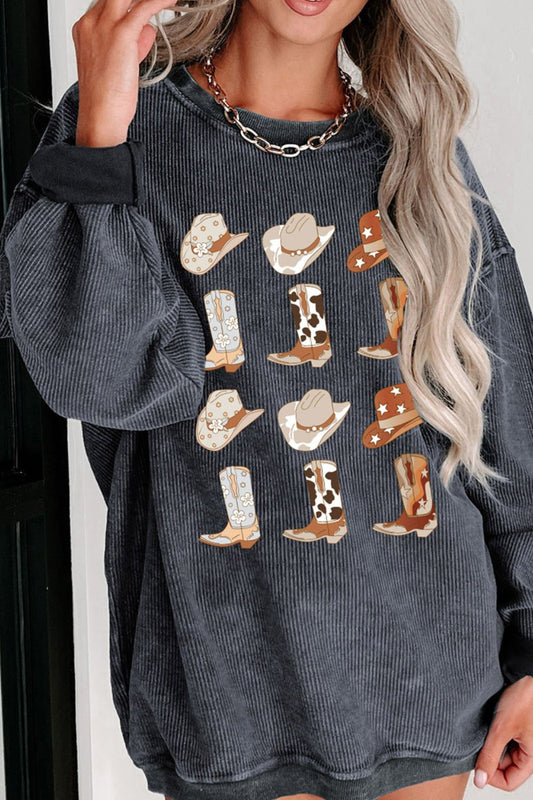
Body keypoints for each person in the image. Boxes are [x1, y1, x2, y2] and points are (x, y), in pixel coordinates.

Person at [1, 0, 533, 798]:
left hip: (425, 680)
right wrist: (104, 126)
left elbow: (510, 431)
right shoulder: (123, 130)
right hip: (226, 697)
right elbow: (97, 377)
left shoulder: (419, 155)